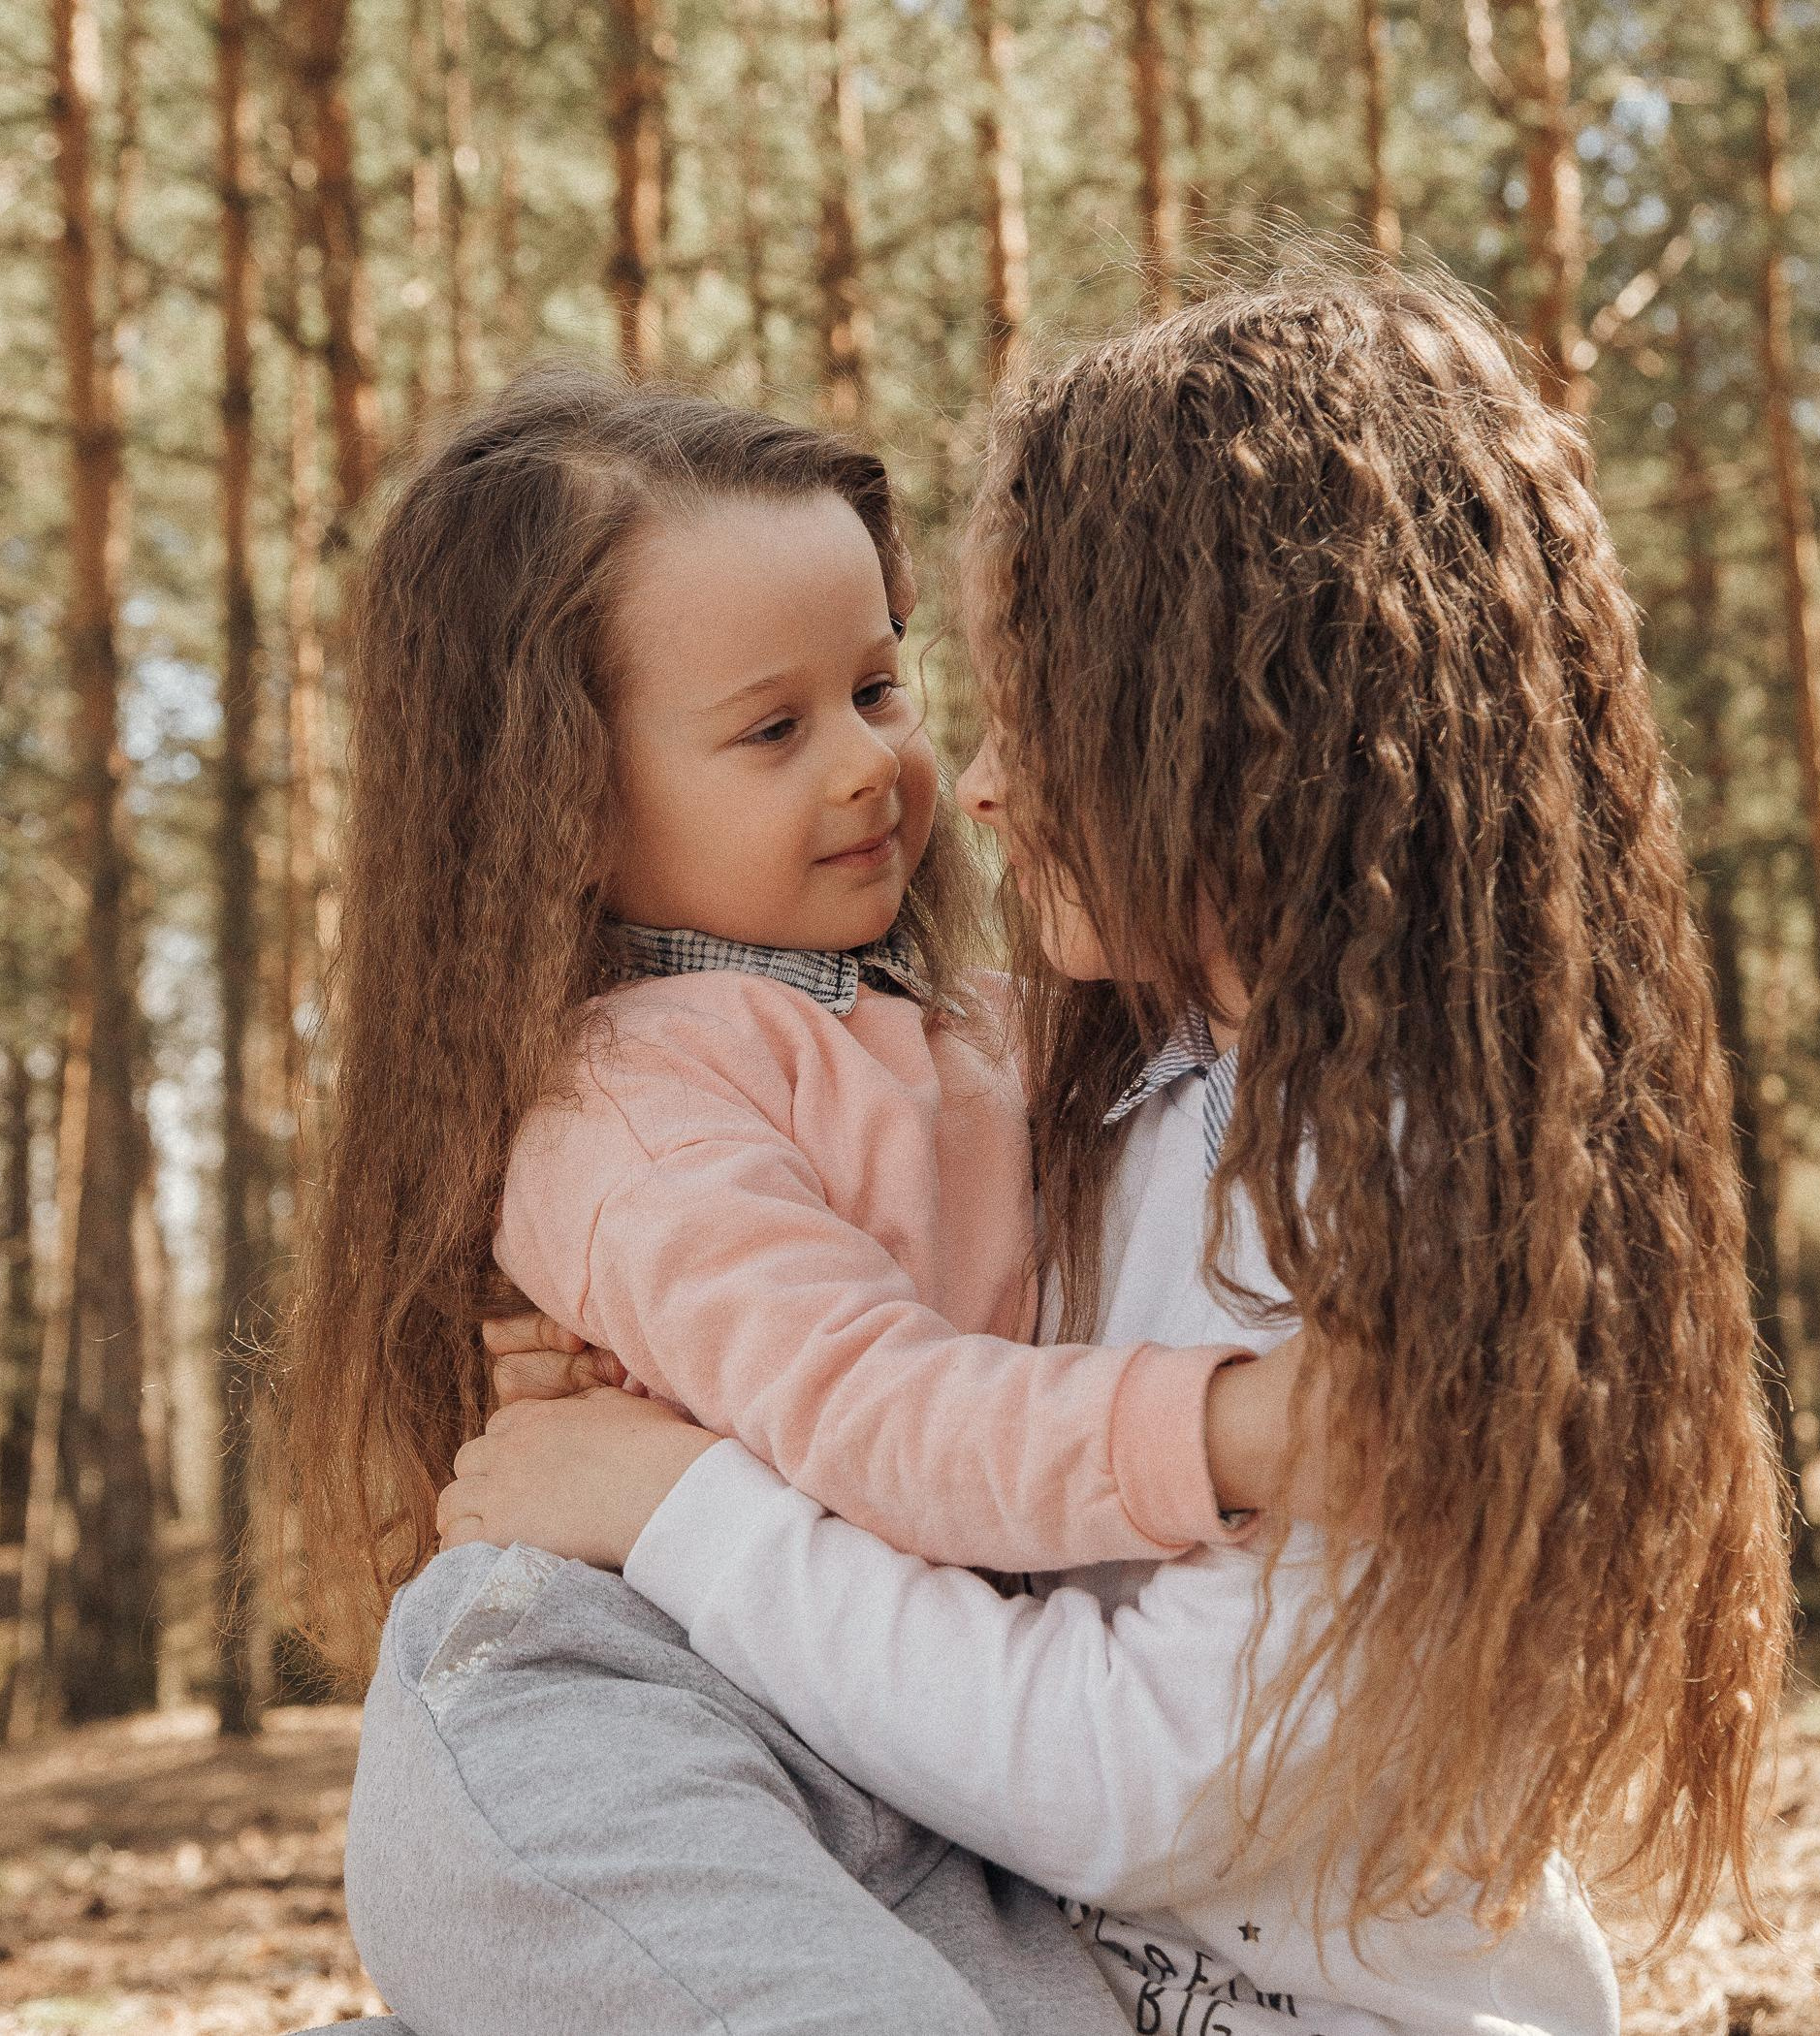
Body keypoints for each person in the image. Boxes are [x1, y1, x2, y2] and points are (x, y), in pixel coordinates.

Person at [431, 266, 1794, 2034]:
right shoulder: (1132, 1078)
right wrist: (672, 1367)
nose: (965, 784)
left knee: (488, 1729)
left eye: (1013, 707)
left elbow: (1125, 1779)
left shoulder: (1392, 1196)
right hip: (1065, 1941)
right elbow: (893, 1349)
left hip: (1237, 1983)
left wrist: (672, 1501)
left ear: (1249, 732)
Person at [277, 364, 1325, 2036]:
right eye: (775, 729)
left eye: (880, 688)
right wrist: (1235, 1431)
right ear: (560, 806)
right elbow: (874, 1412)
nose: (872, 766)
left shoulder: (982, 1027)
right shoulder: (634, 1105)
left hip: (919, 1762)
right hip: (661, 1713)